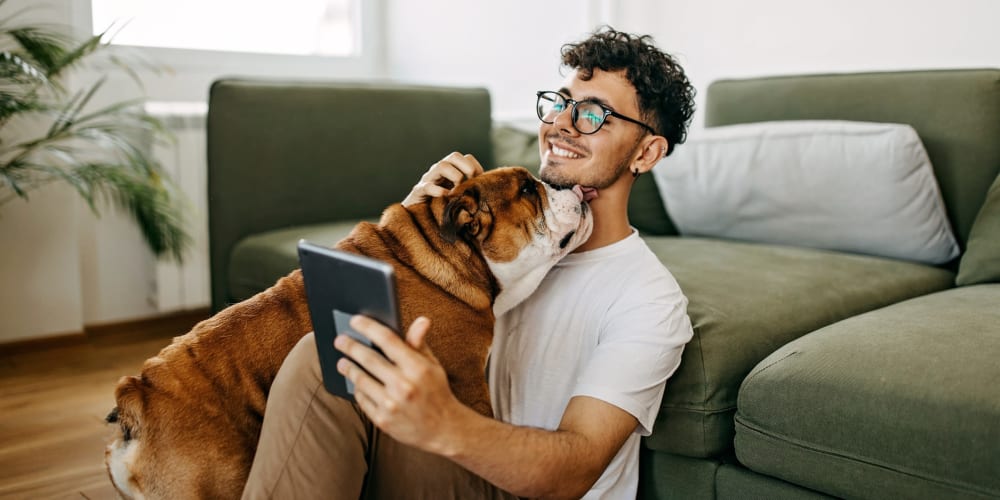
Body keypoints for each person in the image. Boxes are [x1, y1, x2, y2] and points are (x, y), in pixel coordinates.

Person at [242, 26, 696, 499]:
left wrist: (445, 424)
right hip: (451, 461)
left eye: (593, 114)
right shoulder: (496, 245)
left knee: (324, 360)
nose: (562, 123)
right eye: (561, 103)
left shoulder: (649, 299)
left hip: (516, 483)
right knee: (333, 355)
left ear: (646, 152)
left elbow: (574, 469)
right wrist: (419, 230)